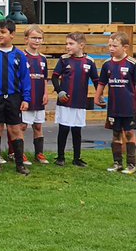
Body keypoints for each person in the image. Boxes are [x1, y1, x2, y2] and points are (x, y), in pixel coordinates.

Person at [0, 20, 32, 175]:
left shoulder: (20, 55)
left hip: (13, 97)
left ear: (12, 35)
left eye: (3, 32)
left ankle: (19, 164)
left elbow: (25, 78)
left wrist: (26, 98)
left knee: (15, 129)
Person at [51, 32, 97, 167]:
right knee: (63, 129)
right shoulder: (64, 59)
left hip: (80, 102)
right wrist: (59, 91)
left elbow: (96, 80)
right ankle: (60, 157)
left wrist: (99, 95)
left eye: (71, 44)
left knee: (77, 131)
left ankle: (77, 158)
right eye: (66, 43)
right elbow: (54, 77)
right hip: (65, 102)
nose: (67, 46)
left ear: (81, 45)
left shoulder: (90, 61)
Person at [96, 33, 136, 174]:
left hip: (129, 107)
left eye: (114, 46)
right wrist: (97, 96)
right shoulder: (107, 64)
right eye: (109, 45)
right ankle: (117, 163)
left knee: (129, 133)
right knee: (116, 133)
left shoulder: (132, 64)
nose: (111, 48)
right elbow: (102, 82)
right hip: (114, 107)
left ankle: (131, 164)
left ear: (125, 47)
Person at [22, 25, 50, 164]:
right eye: (33, 37)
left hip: (39, 96)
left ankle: (39, 153)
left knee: (38, 126)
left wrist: (46, 93)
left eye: (39, 38)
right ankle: (19, 154)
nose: (37, 40)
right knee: (22, 126)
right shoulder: (22, 57)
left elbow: (44, 78)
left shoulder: (43, 59)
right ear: (26, 39)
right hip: (26, 97)